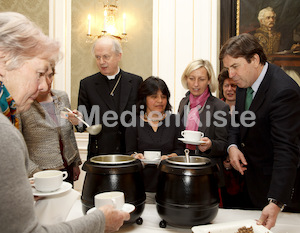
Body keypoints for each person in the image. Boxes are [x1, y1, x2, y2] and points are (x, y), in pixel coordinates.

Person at [0, 11, 129, 232]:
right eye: (39, 73)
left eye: (48, 75)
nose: (43, 86)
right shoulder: (5, 134)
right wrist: (100, 221)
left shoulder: (131, 82)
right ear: (4, 60)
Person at [219, 33, 300, 229]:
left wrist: (276, 201)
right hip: (251, 185)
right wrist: (232, 145)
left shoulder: (283, 92)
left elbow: (286, 151)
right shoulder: (243, 82)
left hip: (277, 192)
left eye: (235, 66)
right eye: (227, 68)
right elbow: (237, 122)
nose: (230, 75)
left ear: (254, 59)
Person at [74, 35, 143, 160]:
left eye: (106, 56)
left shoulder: (135, 82)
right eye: (98, 57)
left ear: (119, 56)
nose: (101, 61)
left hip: (129, 152)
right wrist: (78, 121)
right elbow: (84, 123)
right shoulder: (87, 84)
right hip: (99, 152)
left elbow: (141, 118)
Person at [19, 64, 81, 185]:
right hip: (40, 172)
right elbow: (18, 144)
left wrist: (75, 162)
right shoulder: (22, 103)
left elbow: (69, 133)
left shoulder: (62, 97)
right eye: (41, 76)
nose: (47, 81)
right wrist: (34, 172)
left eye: (50, 75)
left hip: (66, 168)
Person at [125, 76, 184, 203]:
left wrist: (170, 157)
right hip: (141, 187)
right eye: (154, 97)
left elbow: (180, 150)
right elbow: (129, 152)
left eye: (163, 96)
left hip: (171, 185)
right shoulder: (133, 123)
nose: (160, 101)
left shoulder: (175, 121)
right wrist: (136, 156)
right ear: (144, 98)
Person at [178, 59, 230, 189]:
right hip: (184, 168)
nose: (196, 84)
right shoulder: (184, 103)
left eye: (201, 79)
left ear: (208, 80)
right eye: (192, 78)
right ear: (186, 79)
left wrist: (210, 145)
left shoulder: (220, 107)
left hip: (207, 173)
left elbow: (224, 144)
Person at [217, 68, 246, 209]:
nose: (229, 89)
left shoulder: (248, 109)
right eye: (226, 86)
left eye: (233, 85)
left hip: (244, 171)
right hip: (222, 170)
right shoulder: (215, 108)